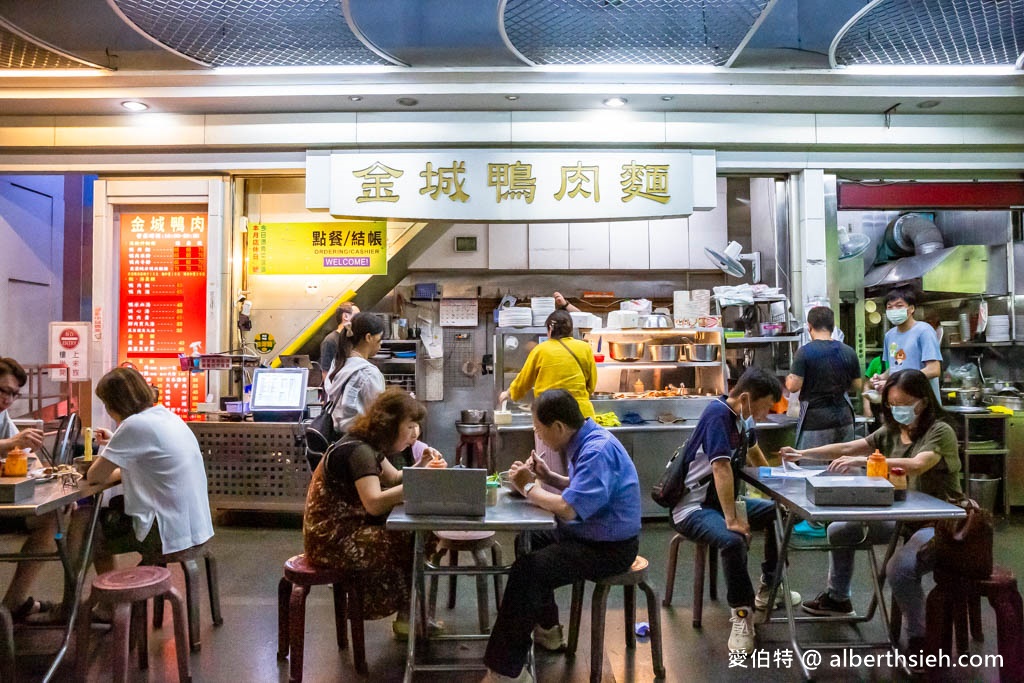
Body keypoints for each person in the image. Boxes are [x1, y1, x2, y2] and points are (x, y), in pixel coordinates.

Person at [780, 369, 961, 650]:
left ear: (923, 401)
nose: (897, 409)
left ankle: (921, 638)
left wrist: (868, 462)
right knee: (841, 531)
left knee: (899, 569)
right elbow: (851, 446)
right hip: (901, 518)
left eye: (904, 403)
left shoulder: (940, 431)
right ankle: (838, 599)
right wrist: (803, 454)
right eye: (892, 404)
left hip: (939, 523)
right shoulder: (891, 431)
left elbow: (917, 465)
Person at [483, 389, 640, 682]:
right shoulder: (586, 441)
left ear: (558, 427)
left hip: (609, 548)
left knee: (528, 571)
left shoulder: (596, 449)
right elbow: (584, 488)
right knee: (527, 542)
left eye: (539, 430)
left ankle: (505, 673)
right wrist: (548, 477)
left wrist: (529, 487)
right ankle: (548, 629)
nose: (539, 437)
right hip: (589, 535)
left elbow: (569, 508)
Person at [670, 367, 799, 654]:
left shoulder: (742, 418)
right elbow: (720, 467)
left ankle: (769, 584)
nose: (766, 414)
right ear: (745, 397)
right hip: (694, 507)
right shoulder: (717, 415)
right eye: (765, 406)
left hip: (721, 503)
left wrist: (778, 486)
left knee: (777, 512)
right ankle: (742, 616)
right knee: (733, 540)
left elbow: (753, 452)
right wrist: (732, 519)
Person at [303, 387, 445, 636]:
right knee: (418, 538)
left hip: (344, 531)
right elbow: (375, 503)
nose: (415, 434)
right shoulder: (360, 451)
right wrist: (419, 483)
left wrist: (422, 465)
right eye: (410, 426)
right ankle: (409, 615)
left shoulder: (368, 445)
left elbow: (394, 478)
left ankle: (408, 615)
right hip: (331, 540)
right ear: (391, 425)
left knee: (420, 536)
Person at [85, 367, 214, 568]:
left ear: (113, 404)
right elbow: (151, 465)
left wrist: (112, 451)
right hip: (196, 526)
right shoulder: (167, 416)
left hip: (165, 532)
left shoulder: (133, 425)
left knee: (87, 529)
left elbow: (94, 476)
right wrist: (115, 445)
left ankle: (107, 595)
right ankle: (112, 596)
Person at [498, 310, 596, 480]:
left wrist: (509, 393)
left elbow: (524, 380)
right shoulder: (584, 348)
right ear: (570, 329)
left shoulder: (541, 349)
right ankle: (577, 501)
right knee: (583, 472)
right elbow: (592, 384)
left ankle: (553, 502)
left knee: (551, 472)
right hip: (582, 417)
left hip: (549, 418)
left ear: (549, 331)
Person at [0, 357, 52, 622]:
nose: (8, 399)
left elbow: (22, 452)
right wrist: (10, 443)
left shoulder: (2, 415)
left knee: (50, 518)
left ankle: (12, 603)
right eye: (4, 391)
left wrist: (53, 485)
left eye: (14, 394)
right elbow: (11, 444)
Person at [785, 306, 862, 449]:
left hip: (816, 423)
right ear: (832, 326)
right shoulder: (848, 351)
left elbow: (793, 386)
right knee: (843, 466)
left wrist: (789, 378)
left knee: (813, 467)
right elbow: (857, 385)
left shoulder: (805, 352)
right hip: (844, 419)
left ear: (809, 326)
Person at [869, 287, 941, 399]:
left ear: (911, 309)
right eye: (889, 307)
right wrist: (882, 377)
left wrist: (898, 381)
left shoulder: (924, 331)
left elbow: (933, 369)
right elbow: (896, 366)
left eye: (899, 306)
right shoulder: (889, 335)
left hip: (922, 400)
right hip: (898, 400)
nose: (894, 310)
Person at [327, 312, 386, 436]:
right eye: (380, 339)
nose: (380, 344)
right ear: (368, 337)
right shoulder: (368, 372)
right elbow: (378, 414)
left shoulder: (338, 364)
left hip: (337, 440)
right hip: (359, 442)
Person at [320, 301, 360, 391]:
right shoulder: (330, 341)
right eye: (357, 316)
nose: (359, 320)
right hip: (337, 392)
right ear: (345, 316)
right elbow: (326, 373)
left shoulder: (353, 339)